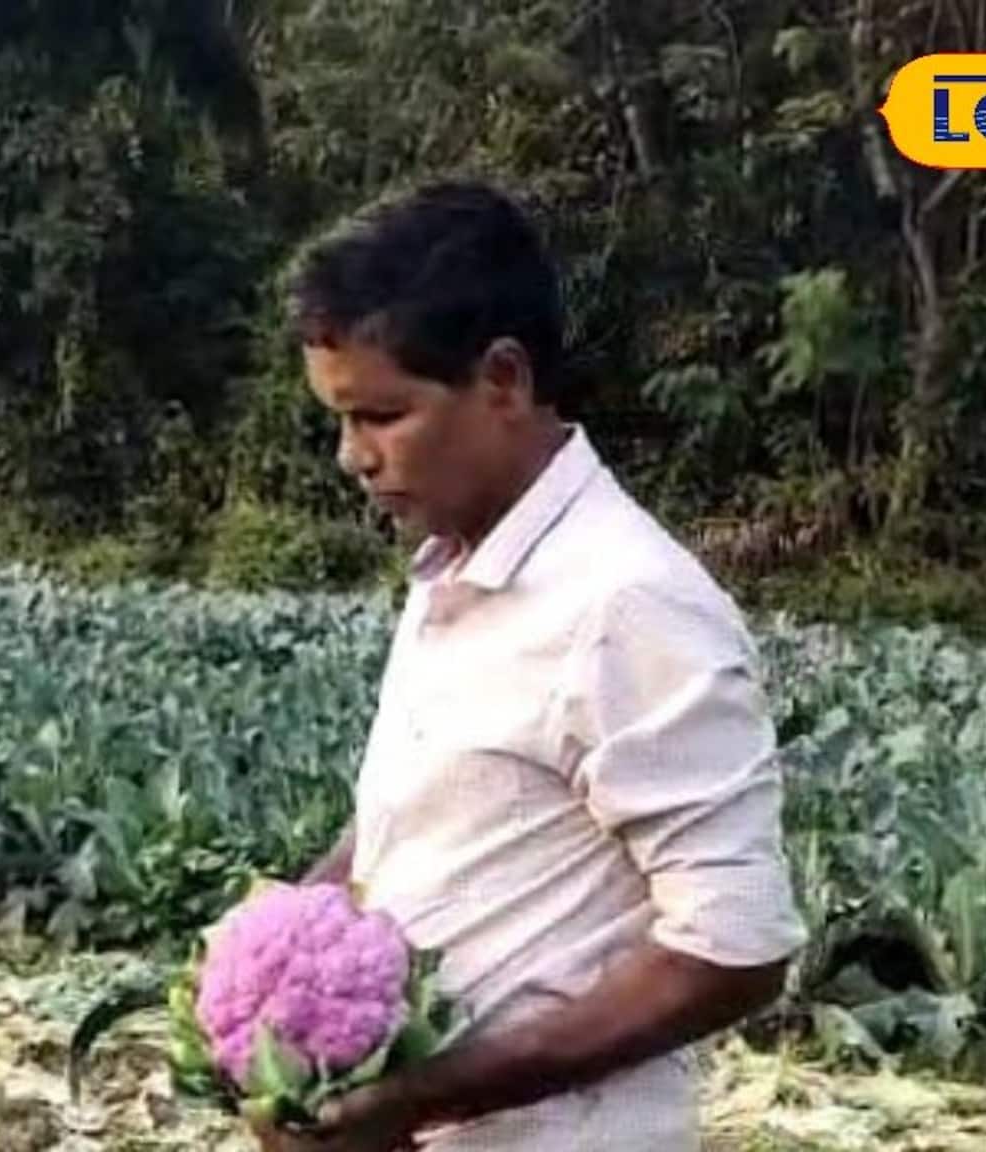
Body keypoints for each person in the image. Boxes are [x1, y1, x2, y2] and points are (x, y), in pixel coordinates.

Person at [253, 180, 809, 1152]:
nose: (352, 457)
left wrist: (428, 1095)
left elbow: (732, 950)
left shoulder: (625, 603)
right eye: (339, 422)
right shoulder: (451, 569)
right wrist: (280, 951)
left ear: (502, 380)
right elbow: (434, 822)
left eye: (380, 415)